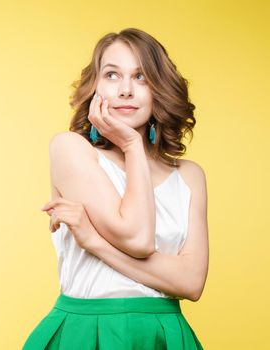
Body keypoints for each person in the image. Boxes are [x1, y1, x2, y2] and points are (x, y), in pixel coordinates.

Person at [22, 28, 208, 349]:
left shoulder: (190, 176)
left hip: (162, 335)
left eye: (141, 77)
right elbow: (137, 238)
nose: (125, 90)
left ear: (159, 89)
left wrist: (95, 242)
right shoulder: (73, 150)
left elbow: (191, 283)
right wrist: (134, 145)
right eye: (112, 75)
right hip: (84, 332)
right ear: (95, 87)